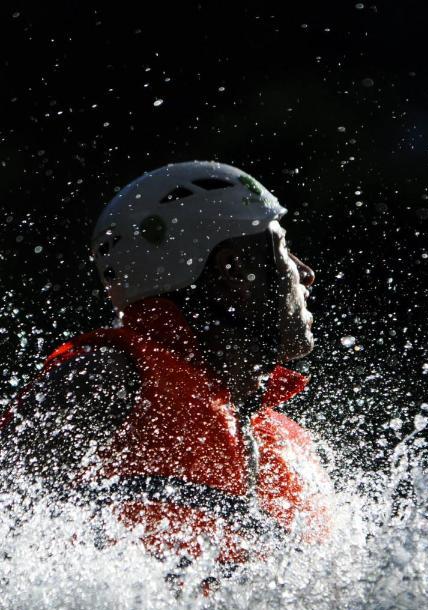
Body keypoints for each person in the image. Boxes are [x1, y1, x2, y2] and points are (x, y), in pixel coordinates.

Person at [0, 161, 333, 579]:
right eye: (283, 250)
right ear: (233, 272)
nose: (305, 273)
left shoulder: (289, 440)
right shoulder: (104, 374)